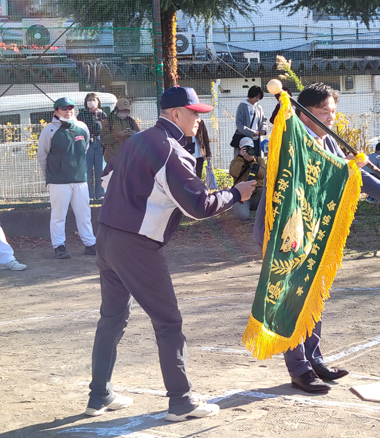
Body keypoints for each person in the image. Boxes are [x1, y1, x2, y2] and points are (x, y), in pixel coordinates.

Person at [85, 86, 256, 421]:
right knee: (168, 322)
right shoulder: (172, 150)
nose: (198, 119)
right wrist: (236, 193)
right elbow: (199, 206)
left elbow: (107, 179)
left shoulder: (138, 139)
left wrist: (143, 196)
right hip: (135, 243)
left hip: (106, 235)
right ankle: (181, 402)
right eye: (194, 113)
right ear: (175, 113)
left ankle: (98, 395)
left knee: (112, 318)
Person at [253, 83, 380, 394]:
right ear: (304, 113)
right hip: (285, 233)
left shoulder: (327, 142)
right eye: (323, 112)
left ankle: (314, 358)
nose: (331, 118)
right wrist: (283, 105)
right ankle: (299, 369)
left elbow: (352, 175)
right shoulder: (292, 137)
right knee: (291, 300)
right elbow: (285, 132)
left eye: (333, 112)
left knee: (313, 294)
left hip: (314, 231)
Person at [36, 97, 96, 259]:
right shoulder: (48, 131)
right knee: (58, 215)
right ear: (56, 111)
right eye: (63, 108)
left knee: (84, 214)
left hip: (80, 179)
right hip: (58, 181)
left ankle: (90, 244)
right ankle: (59, 246)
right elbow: (42, 156)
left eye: (71, 107)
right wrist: (48, 178)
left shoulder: (82, 127)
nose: (68, 110)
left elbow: (84, 149)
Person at [77, 93, 107, 200]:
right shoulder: (82, 115)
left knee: (100, 169)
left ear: (98, 101)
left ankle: (101, 194)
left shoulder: (102, 114)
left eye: (93, 100)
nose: (91, 102)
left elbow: (106, 129)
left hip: (99, 144)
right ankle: (88, 194)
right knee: (87, 170)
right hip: (87, 143)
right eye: (89, 100)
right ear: (86, 102)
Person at [229, 137, 266, 220]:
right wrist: (241, 159)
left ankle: (260, 209)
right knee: (242, 216)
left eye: (249, 149)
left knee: (266, 190)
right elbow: (234, 173)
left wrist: (253, 162)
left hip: (257, 195)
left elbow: (263, 175)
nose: (247, 152)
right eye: (244, 149)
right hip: (242, 196)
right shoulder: (236, 161)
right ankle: (242, 207)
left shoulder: (259, 160)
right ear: (240, 150)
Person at [100, 98, 139, 163]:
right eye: (122, 110)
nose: (124, 113)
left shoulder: (131, 122)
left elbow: (139, 137)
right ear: (117, 109)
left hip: (129, 158)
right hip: (113, 159)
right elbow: (103, 138)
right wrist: (117, 135)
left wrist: (134, 134)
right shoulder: (108, 121)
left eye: (126, 111)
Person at [234, 85, 268, 156]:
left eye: (259, 98)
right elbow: (239, 124)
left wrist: (264, 129)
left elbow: (264, 120)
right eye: (256, 97)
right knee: (245, 160)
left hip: (257, 140)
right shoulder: (242, 106)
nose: (257, 99)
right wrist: (252, 132)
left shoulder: (259, 107)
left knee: (257, 161)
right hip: (245, 140)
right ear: (251, 95)